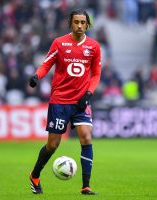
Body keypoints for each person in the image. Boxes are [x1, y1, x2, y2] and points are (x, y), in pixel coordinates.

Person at [28, 9, 101, 195]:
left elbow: (96, 74)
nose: (79, 25)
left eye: (83, 22)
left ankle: (86, 185)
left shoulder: (93, 47)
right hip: (60, 100)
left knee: (86, 136)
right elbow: (47, 64)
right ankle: (34, 175)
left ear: (87, 24)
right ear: (70, 23)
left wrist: (89, 94)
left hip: (81, 102)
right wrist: (37, 76)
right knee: (52, 145)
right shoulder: (59, 43)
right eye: (76, 22)